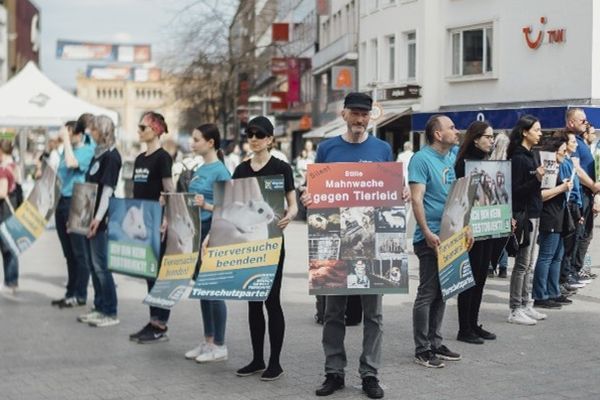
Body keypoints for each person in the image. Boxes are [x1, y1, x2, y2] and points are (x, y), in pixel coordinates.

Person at [302, 92, 391, 399]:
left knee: (374, 315)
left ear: (370, 116)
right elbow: (315, 192)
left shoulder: (382, 149)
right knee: (332, 312)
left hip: (371, 240)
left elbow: (388, 192)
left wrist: (400, 195)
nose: (359, 119)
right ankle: (334, 372)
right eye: (354, 113)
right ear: (343, 114)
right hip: (333, 240)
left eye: (364, 114)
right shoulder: (327, 148)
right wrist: (309, 199)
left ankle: (369, 374)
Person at [233, 116, 297, 382]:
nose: (254, 139)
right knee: (252, 301)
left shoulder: (282, 168)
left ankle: (275, 362)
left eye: (260, 134)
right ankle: (257, 358)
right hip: (249, 243)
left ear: (270, 139)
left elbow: (292, 203)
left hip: (272, 242)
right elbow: (233, 204)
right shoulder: (240, 170)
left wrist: (291, 215)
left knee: (272, 301)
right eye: (250, 134)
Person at [410, 114, 463, 368]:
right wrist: (426, 232)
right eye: (451, 127)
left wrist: (465, 229)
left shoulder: (450, 158)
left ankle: (435, 342)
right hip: (429, 237)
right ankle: (422, 349)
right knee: (428, 293)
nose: (456, 130)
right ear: (438, 134)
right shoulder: (421, 159)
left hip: (449, 235)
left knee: (443, 292)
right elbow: (417, 199)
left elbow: (456, 197)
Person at [184, 124, 231, 363]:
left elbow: (228, 207)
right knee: (202, 290)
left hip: (213, 235)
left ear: (210, 142)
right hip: (196, 233)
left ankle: (220, 345)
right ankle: (208, 340)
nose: (192, 143)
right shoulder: (200, 168)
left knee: (214, 291)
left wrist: (206, 206)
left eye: (196, 139)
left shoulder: (221, 171)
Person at [128, 111, 175, 343]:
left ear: (155, 130)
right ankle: (153, 320)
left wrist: (166, 219)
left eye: (142, 127)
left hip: (158, 224)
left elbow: (170, 191)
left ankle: (160, 325)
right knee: (149, 273)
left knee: (160, 274)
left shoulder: (163, 158)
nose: (139, 131)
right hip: (142, 223)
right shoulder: (139, 159)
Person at [454, 121, 498, 345]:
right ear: (476, 139)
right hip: (470, 229)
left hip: (488, 225)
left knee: (480, 277)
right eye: (488, 137)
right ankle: (464, 328)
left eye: (492, 137)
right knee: (469, 279)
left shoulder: (487, 162)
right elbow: (462, 198)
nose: (491, 140)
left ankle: (474, 323)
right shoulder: (463, 164)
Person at [77, 115, 122, 328]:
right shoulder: (98, 154)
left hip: (101, 220)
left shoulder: (112, 157)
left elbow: (107, 190)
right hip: (88, 217)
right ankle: (99, 306)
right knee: (93, 266)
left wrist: (97, 218)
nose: (91, 133)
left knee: (102, 266)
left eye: (94, 130)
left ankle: (110, 310)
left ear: (103, 131)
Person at [506, 115, 547, 325]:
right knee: (522, 264)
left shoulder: (532, 155)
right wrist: (536, 179)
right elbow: (515, 191)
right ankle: (515, 308)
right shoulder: (519, 158)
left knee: (529, 263)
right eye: (536, 130)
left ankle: (525, 303)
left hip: (535, 212)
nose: (540, 133)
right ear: (525, 131)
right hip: (524, 214)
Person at [51, 117, 95, 308]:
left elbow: (71, 164)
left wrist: (66, 142)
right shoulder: (66, 149)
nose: (65, 136)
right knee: (68, 253)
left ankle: (80, 294)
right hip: (62, 202)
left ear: (78, 134)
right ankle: (70, 292)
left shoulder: (87, 150)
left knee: (80, 252)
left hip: (78, 201)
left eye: (69, 133)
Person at [532, 136, 573, 310]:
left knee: (557, 256)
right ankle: (540, 295)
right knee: (547, 256)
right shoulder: (548, 167)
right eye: (562, 151)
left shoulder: (557, 166)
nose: (565, 153)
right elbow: (542, 194)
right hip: (549, 216)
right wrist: (562, 188)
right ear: (554, 152)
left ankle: (553, 291)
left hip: (559, 215)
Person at [565, 109, 600, 282]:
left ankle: (574, 271)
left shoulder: (581, 141)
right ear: (571, 122)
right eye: (583, 121)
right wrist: (594, 186)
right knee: (577, 234)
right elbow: (576, 170)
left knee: (584, 233)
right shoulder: (572, 141)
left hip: (587, 194)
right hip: (580, 194)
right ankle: (568, 272)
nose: (586, 123)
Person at [0, 139, 19, 296]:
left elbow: (2, 192)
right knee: (10, 246)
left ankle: (10, 280)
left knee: (7, 247)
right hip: (12, 209)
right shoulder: (13, 166)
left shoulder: (3, 169)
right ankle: (11, 281)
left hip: (4, 210)